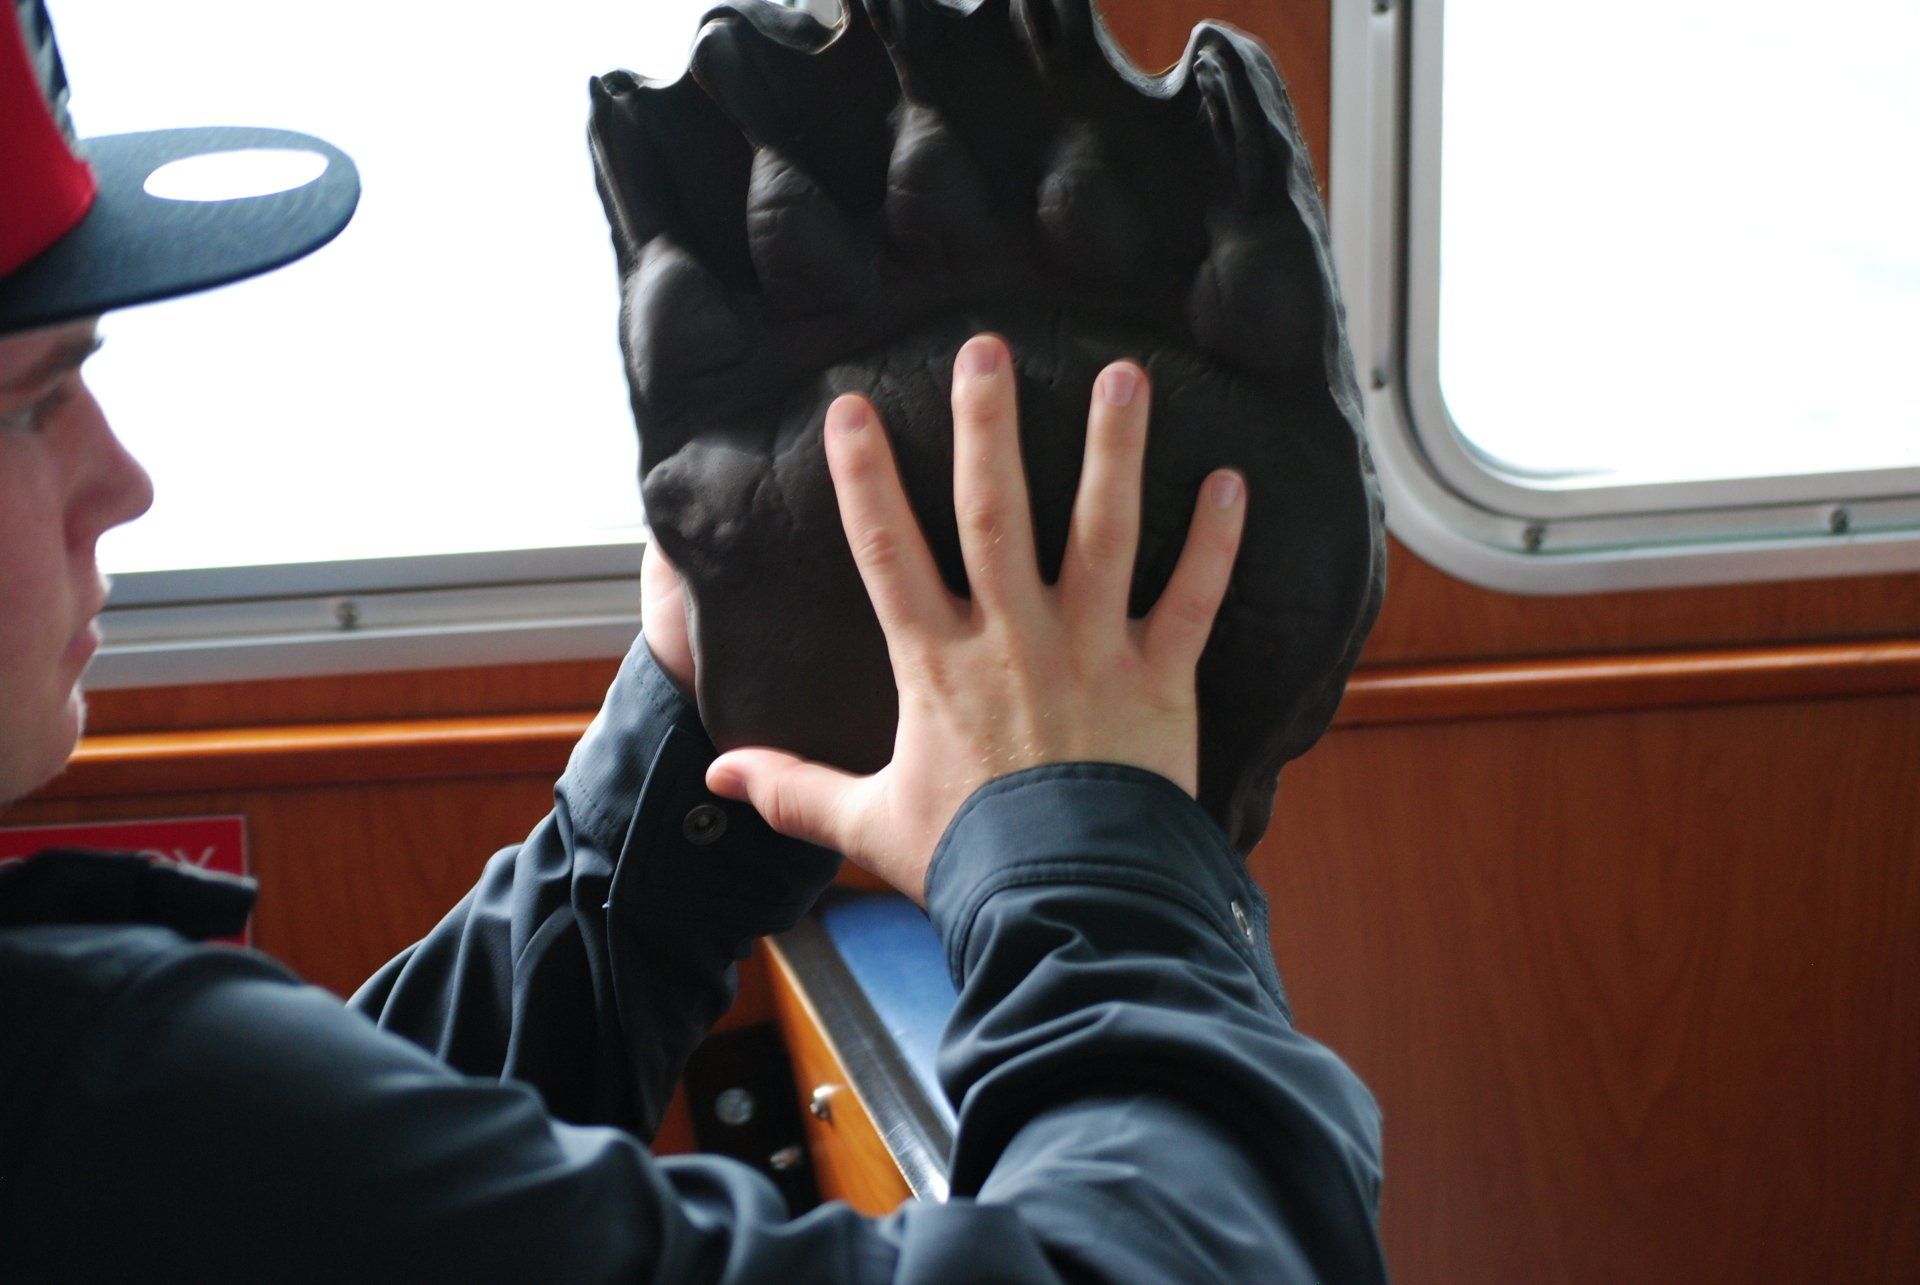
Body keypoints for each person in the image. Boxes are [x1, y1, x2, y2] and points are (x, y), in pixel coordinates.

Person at [0, 2, 1387, 1279]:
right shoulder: (89, 1100)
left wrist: (697, 722)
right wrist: (1096, 845)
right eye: (34, 401)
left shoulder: (104, 1106)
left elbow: (331, 1200)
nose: (123, 481)